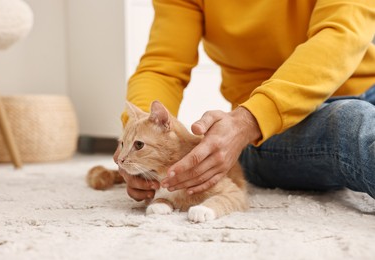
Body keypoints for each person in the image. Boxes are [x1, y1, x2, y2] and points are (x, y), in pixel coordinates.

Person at [115, 0, 375, 202]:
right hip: (266, 125)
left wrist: (246, 119)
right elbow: (163, 67)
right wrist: (139, 131)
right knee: (353, 125)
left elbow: (340, 34)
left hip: (363, 85)